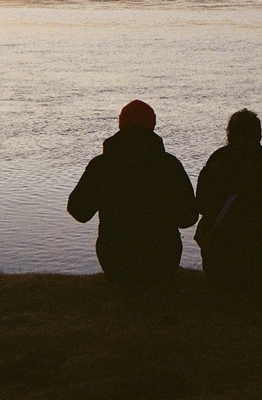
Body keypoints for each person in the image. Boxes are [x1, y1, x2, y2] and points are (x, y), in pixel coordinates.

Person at [68, 100, 198, 285]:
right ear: (153, 124)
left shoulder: (102, 165)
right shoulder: (169, 165)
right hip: (162, 262)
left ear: (120, 124)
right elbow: (188, 218)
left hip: (116, 263)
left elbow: (78, 211)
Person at [195, 109, 262, 289]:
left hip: (219, 269)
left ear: (229, 134)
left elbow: (202, 208)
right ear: (259, 136)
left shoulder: (212, 170)